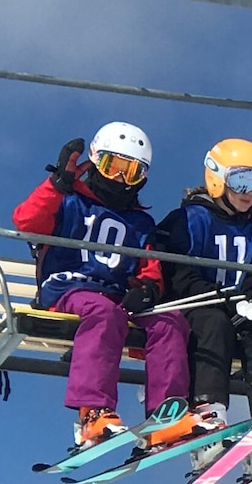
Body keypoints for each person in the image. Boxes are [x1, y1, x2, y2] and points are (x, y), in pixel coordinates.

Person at [12, 121, 190, 450]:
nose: (120, 179)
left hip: (116, 297)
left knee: (170, 321)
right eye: (113, 167)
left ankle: (164, 418)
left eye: (131, 172)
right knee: (104, 312)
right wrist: (56, 186)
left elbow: (148, 266)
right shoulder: (70, 200)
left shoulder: (140, 222)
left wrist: (148, 289)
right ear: (95, 161)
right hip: (68, 288)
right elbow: (26, 222)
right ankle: (93, 411)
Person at [155, 138, 252, 474]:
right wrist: (219, 296)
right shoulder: (187, 219)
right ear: (217, 177)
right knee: (212, 323)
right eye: (242, 181)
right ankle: (207, 415)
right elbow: (174, 270)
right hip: (193, 305)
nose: (250, 193)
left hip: (238, 308)